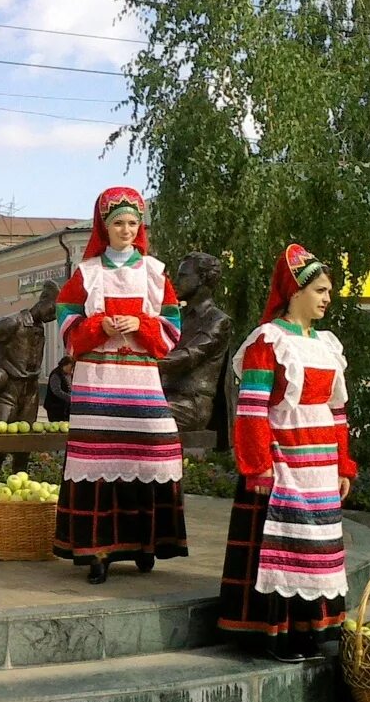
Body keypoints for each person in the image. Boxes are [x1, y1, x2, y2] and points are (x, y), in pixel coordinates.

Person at [217, 244, 357, 662]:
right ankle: (271, 633)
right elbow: (252, 407)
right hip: (281, 463)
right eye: (320, 290)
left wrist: (343, 464)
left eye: (328, 291)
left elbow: (337, 412)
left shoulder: (328, 345)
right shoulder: (268, 341)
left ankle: (310, 630)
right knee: (280, 547)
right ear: (295, 291)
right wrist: (258, 466)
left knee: (316, 547)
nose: (327, 299)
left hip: (320, 466)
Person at [52, 186, 187, 585]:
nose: (126, 229)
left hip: (142, 382)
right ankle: (97, 550)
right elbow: (65, 319)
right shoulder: (87, 273)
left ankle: (146, 543)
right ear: (104, 227)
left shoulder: (155, 273)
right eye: (118, 223)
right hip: (97, 382)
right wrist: (99, 326)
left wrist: (142, 325)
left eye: (132, 223)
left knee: (154, 455)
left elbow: (173, 326)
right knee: (96, 462)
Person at [0, 282, 59, 483]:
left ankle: (18, 489)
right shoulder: (13, 322)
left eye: (56, 314)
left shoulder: (39, 328)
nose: (53, 316)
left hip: (31, 391)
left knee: (23, 446)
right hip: (8, 390)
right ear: (42, 302)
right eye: (52, 309)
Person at [159, 252, 233, 436]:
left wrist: (142, 362)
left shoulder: (218, 321)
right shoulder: (177, 317)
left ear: (201, 279)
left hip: (191, 405)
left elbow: (188, 356)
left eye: (183, 275)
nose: (176, 280)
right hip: (164, 397)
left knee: (145, 417)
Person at [43, 356, 74, 422]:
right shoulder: (56, 374)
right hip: (55, 406)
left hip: (65, 407)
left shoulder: (69, 375)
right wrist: (70, 398)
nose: (71, 370)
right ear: (65, 365)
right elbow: (57, 390)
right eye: (70, 367)